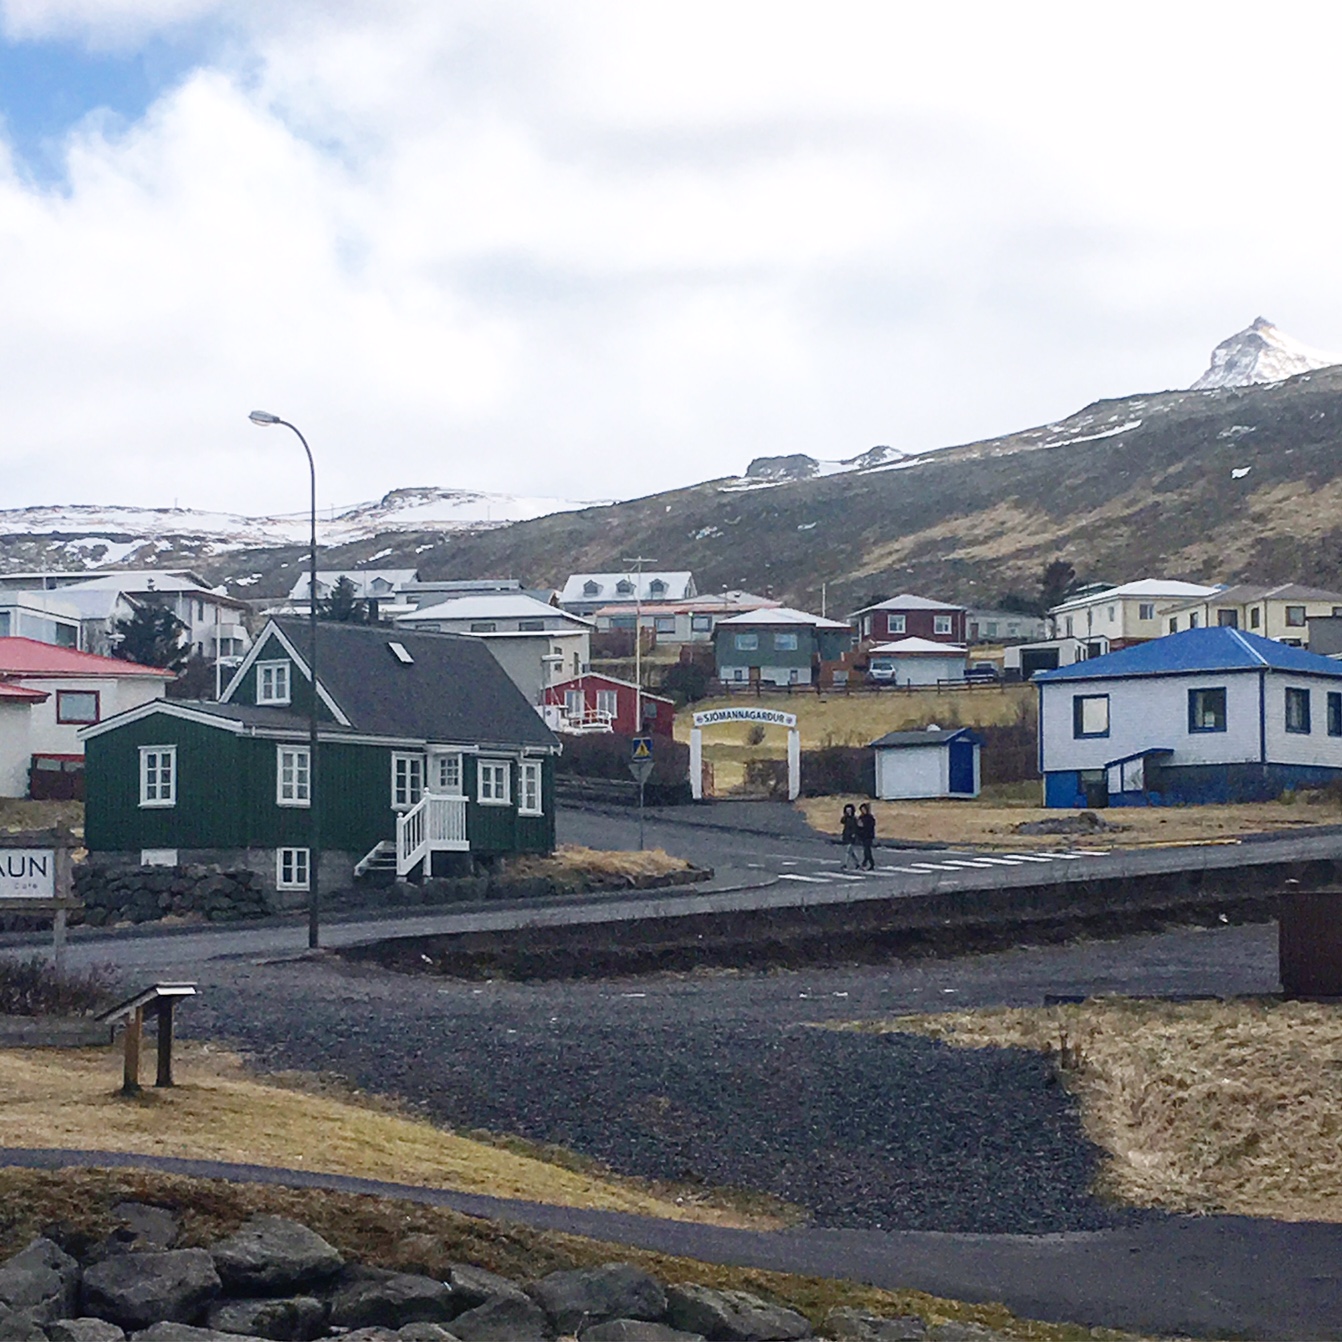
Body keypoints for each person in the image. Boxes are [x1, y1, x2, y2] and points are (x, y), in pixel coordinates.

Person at [839, 803, 861, 869]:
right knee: (851, 851)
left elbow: (855, 827)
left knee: (848, 850)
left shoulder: (854, 818)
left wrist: (854, 834)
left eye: (849, 810)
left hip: (852, 836)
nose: (848, 811)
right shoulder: (846, 818)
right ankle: (857, 863)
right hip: (846, 835)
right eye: (847, 810)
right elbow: (842, 821)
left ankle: (845, 864)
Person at [857, 802, 876, 870]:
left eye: (864, 809)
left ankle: (870, 863)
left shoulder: (870, 817)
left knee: (867, 850)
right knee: (866, 850)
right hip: (863, 836)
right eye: (861, 810)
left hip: (868, 836)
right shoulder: (861, 817)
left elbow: (871, 826)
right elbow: (858, 826)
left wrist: (863, 825)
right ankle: (865, 863)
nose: (863, 811)